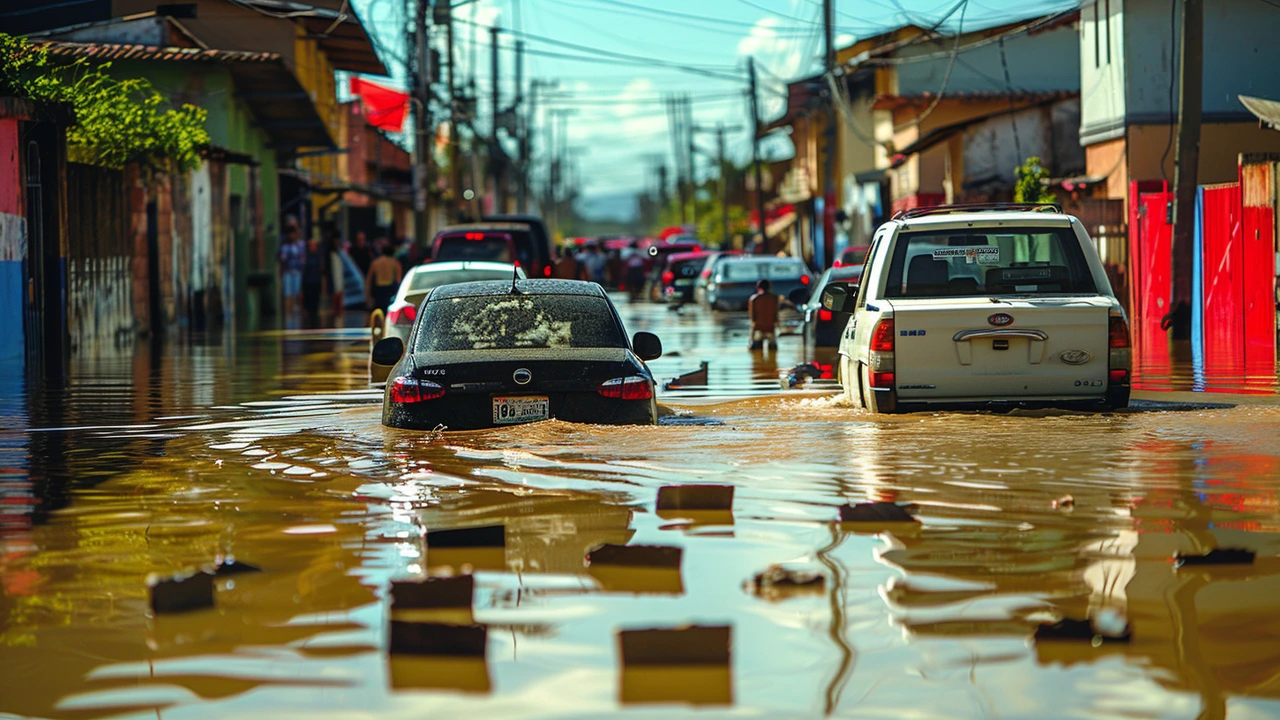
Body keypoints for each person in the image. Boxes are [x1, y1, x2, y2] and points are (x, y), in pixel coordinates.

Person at [747, 278, 794, 351]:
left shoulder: (754, 299)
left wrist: (751, 338)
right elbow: (775, 315)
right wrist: (779, 327)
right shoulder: (774, 298)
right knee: (773, 354)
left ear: (758, 287)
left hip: (758, 329)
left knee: (757, 355)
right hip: (771, 329)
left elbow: (753, 318)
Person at [277, 216, 305, 316]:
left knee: (297, 292)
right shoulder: (284, 245)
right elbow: (281, 261)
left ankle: (296, 309)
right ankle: (288, 312)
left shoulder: (300, 244)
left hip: (297, 272)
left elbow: (303, 258)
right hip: (288, 272)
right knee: (288, 293)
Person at [366, 243, 403, 313]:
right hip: (390, 290)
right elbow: (398, 280)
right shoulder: (395, 263)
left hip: (378, 291)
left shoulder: (375, 263)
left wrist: (368, 297)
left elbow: (368, 281)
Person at [301, 236, 326, 322]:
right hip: (308, 282)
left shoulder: (319, 257)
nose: (312, 247)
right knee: (308, 302)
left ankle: (314, 318)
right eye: (311, 245)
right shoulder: (306, 257)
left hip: (316, 282)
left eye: (314, 245)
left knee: (315, 302)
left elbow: (322, 271)